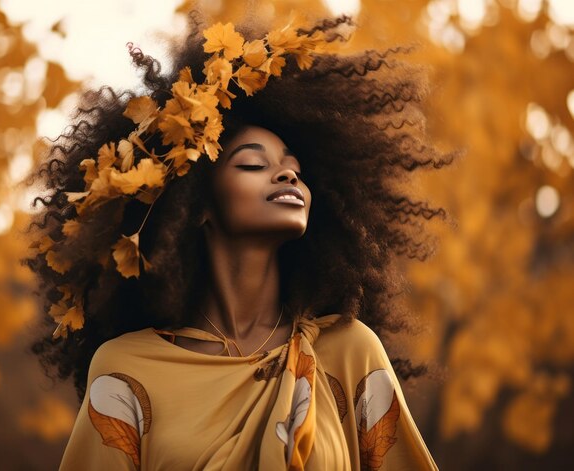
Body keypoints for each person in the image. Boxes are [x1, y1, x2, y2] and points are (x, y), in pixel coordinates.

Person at [25, 11, 453, 470]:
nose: (287, 173)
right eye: (253, 164)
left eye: (295, 168)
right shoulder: (127, 372)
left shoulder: (350, 352)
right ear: (195, 205)